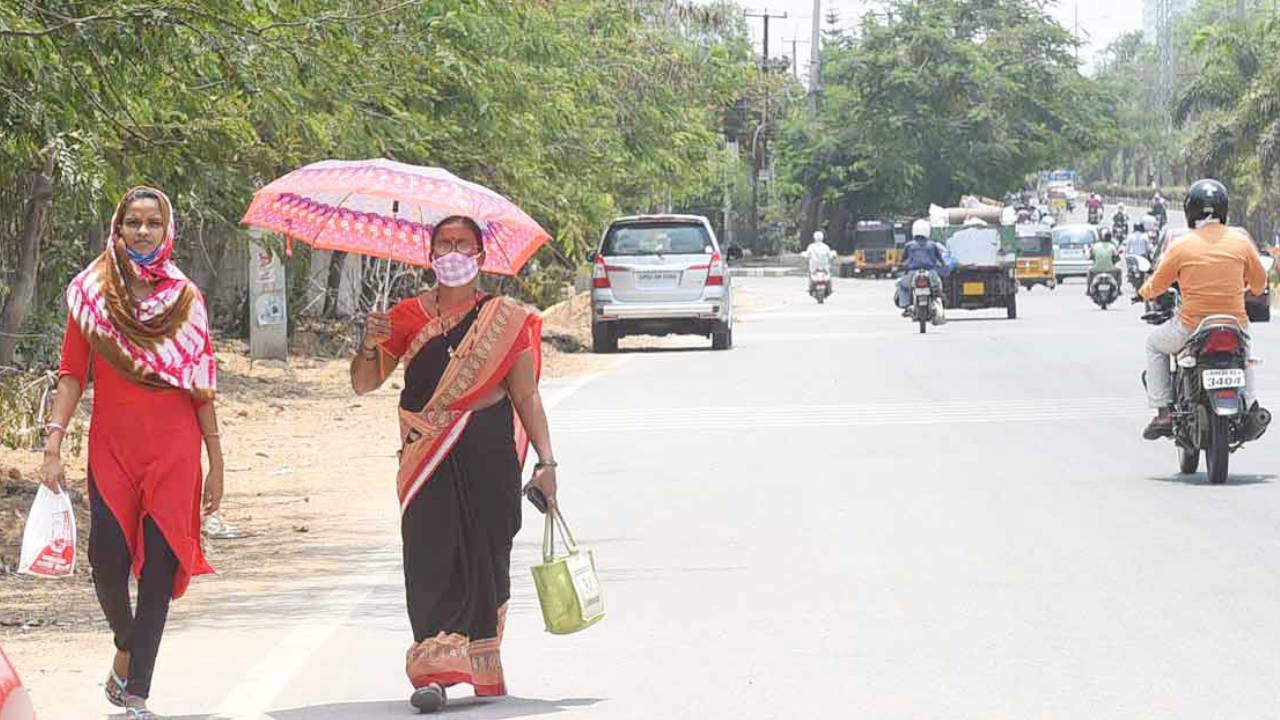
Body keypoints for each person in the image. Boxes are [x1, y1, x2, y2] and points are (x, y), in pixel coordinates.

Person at [350, 215, 557, 714]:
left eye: (464, 244)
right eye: (444, 244)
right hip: (426, 454)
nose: (453, 253)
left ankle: (481, 663)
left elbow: (526, 394)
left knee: (488, 553)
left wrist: (547, 461)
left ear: (482, 257)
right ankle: (434, 672)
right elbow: (363, 383)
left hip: (488, 451)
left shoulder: (507, 318)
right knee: (429, 554)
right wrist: (368, 343)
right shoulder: (402, 317)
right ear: (429, 255)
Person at [40, 187, 222, 720]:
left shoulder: (187, 299)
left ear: (168, 233)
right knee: (107, 561)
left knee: (160, 571)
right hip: (113, 445)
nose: (143, 232)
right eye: (133, 223)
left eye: (153, 224)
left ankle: (137, 689)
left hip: (176, 445)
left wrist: (217, 462)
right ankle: (127, 643)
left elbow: (202, 384)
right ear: (117, 229)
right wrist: (53, 442)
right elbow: (73, 371)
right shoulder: (90, 292)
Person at [1139, 179, 1270, 439]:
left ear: (1190, 210)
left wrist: (1142, 292)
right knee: (1245, 358)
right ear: (1224, 210)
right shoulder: (1241, 241)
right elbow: (1259, 284)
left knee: (1153, 344)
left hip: (1191, 325)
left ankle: (1163, 412)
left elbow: (1157, 284)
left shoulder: (1181, 245)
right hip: (1234, 324)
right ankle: (1252, 406)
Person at [895, 219, 946, 312]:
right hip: (930, 273)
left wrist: (898, 266)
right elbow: (941, 260)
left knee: (900, 284)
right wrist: (943, 265)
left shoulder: (909, 245)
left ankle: (905, 306)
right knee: (938, 285)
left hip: (912, 274)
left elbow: (902, 260)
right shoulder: (933, 245)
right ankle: (938, 300)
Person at [1087, 227, 1122, 294]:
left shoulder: (1096, 246)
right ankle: (1119, 289)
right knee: (1119, 271)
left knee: (1089, 271)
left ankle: (1088, 289)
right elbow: (1117, 258)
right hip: (1110, 269)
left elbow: (1091, 256)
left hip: (1097, 269)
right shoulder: (1112, 246)